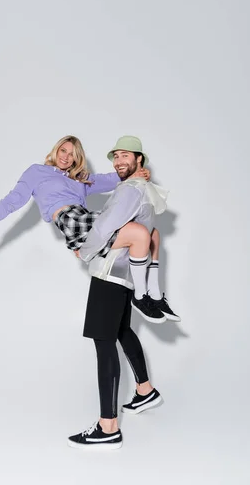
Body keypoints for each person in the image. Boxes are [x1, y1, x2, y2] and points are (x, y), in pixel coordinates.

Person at [68, 136, 180, 450]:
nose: (118, 161)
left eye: (125, 155)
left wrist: (84, 250)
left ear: (139, 160)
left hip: (110, 273)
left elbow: (105, 226)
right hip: (126, 275)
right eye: (115, 156)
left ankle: (108, 427)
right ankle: (145, 390)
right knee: (120, 331)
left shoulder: (130, 190)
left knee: (103, 342)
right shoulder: (142, 188)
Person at [0, 136, 159, 312]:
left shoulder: (79, 177)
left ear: (76, 158)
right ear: (55, 150)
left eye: (72, 154)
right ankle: (140, 297)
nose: (66, 157)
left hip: (86, 218)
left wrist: (139, 172)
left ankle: (153, 294)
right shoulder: (36, 172)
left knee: (152, 235)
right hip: (72, 221)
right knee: (139, 233)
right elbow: (12, 200)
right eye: (63, 150)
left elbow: (111, 179)